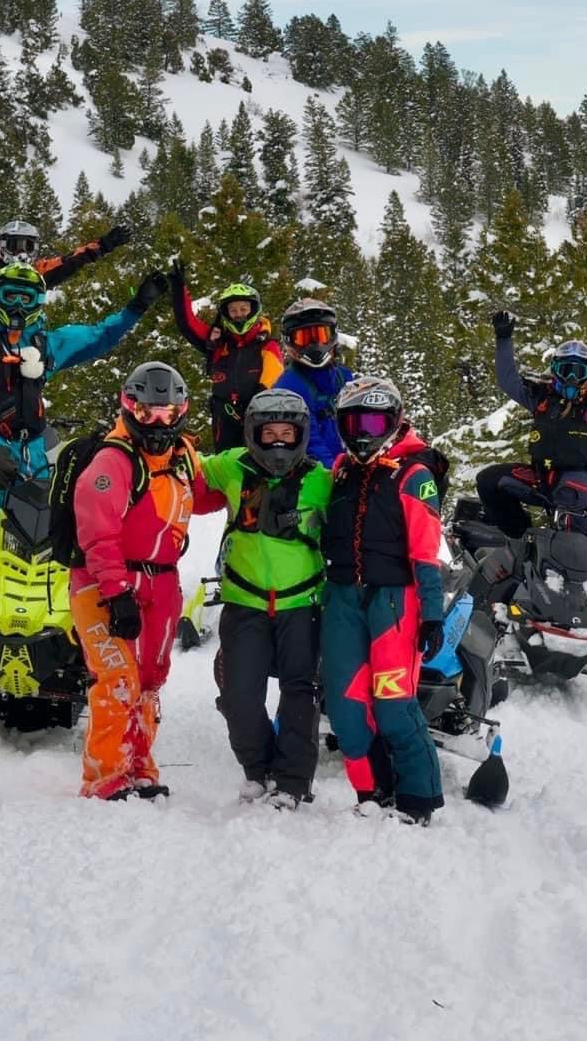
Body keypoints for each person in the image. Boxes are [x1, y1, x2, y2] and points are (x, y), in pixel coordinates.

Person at [69, 363, 226, 800]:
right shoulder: (112, 460)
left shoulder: (181, 457)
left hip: (162, 581)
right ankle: (104, 777)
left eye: (169, 413)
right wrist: (115, 593)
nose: (159, 421)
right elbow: (97, 533)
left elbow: (202, 497)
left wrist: (247, 481)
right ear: (130, 406)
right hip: (104, 582)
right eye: (149, 411)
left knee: (150, 679)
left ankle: (139, 766)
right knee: (117, 678)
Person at [0, 244, 166, 546]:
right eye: (11, 296)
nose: (18, 306)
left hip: (34, 440)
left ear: (38, 301)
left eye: (27, 298)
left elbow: (99, 335)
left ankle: (62, 553)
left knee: (74, 476)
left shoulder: (45, 343)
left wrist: (137, 307)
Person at [319, 376, 446, 824]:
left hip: (395, 602)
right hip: (341, 600)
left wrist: (433, 614)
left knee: (393, 704)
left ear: (392, 422)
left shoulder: (414, 476)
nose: (363, 432)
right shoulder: (339, 470)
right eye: (354, 422)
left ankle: (418, 799)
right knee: (345, 706)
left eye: (373, 422)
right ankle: (371, 792)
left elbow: (426, 552)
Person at [198, 388, 332, 808]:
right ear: (253, 434)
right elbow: (180, 468)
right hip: (244, 602)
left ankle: (292, 782)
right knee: (239, 697)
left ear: (301, 436)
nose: (277, 442)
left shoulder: (321, 480)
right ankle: (258, 769)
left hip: (301, 606)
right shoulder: (231, 466)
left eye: (286, 434)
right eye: (268, 432)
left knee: (300, 695)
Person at [475, 311, 587, 538]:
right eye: (565, 370)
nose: (571, 378)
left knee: (567, 545)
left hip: (580, 487)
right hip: (542, 478)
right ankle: (518, 536)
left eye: (579, 372)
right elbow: (508, 380)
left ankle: (571, 563)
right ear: (555, 371)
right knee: (489, 481)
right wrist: (503, 338)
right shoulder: (541, 399)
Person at [0, 169, 133, 314]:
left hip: (27, 338)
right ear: (3, 246)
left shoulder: (39, 270)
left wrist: (104, 245)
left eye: (28, 247)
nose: (21, 253)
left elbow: (73, 260)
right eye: (15, 246)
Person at [169, 262, 286, 449]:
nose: (238, 314)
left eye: (243, 309)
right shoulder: (218, 344)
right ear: (226, 314)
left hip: (258, 418)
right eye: (233, 310)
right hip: (223, 420)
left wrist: (256, 403)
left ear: (253, 310)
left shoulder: (267, 345)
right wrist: (178, 288)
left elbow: (273, 376)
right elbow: (187, 323)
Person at [272, 298, 355, 467]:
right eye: (304, 338)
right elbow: (308, 440)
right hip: (319, 474)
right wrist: (334, 472)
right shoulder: (288, 387)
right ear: (290, 342)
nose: (315, 345)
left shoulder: (343, 376)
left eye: (321, 335)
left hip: (352, 465)